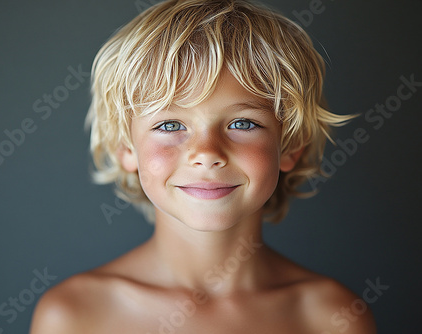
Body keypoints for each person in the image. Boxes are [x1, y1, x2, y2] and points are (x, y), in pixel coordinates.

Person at [30, 0, 376, 332]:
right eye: (170, 125)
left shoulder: (333, 318)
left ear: (291, 145)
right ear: (125, 148)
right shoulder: (72, 316)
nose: (206, 153)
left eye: (242, 123)